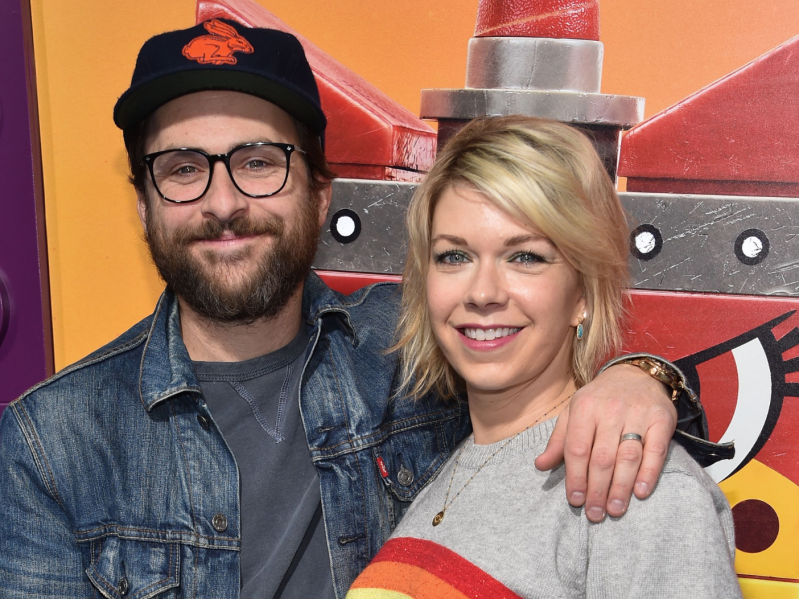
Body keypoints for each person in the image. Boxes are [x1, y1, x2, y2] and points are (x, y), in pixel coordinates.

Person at [0, 20, 712, 599]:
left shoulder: (401, 348)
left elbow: (542, 356)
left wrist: (642, 379)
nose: (222, 203)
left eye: (257, 161)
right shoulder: (53, 442)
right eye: (182, 169)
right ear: (143, 204)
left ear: (317, 192)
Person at [347, 116, 741, 598]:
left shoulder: (638, 487)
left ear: (584, 293)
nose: (483, 292)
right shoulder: (444, 464)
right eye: (454, 256)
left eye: (525, 257)